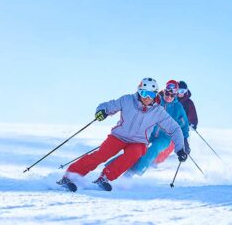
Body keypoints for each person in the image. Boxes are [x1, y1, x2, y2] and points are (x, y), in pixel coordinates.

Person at [57, 78, 189, 191]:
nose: (147, 98)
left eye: (150, 94)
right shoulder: (127, 100)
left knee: (134, 154)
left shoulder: (158, 111)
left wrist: (180, 149)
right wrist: (102, 111)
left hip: (139, 141)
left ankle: (105, 177)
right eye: (143, 93)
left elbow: (175, 129)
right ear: (139, 91)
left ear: (155, 94)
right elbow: (108, 105)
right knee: (101, 155)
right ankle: (69, 177)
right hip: (119, 136)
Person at [126, 80, 190, 176]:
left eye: (172, 95)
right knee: (135, 147)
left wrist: (185, 142)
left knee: (153, 149)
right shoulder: (156, 100)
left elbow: (184, 126)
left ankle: (133, 172)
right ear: (164, 91)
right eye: (167, 94)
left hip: (164, 137)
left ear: (176, 95)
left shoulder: (178, 108)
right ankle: (113, 168)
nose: (169, 97)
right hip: (149, 131)